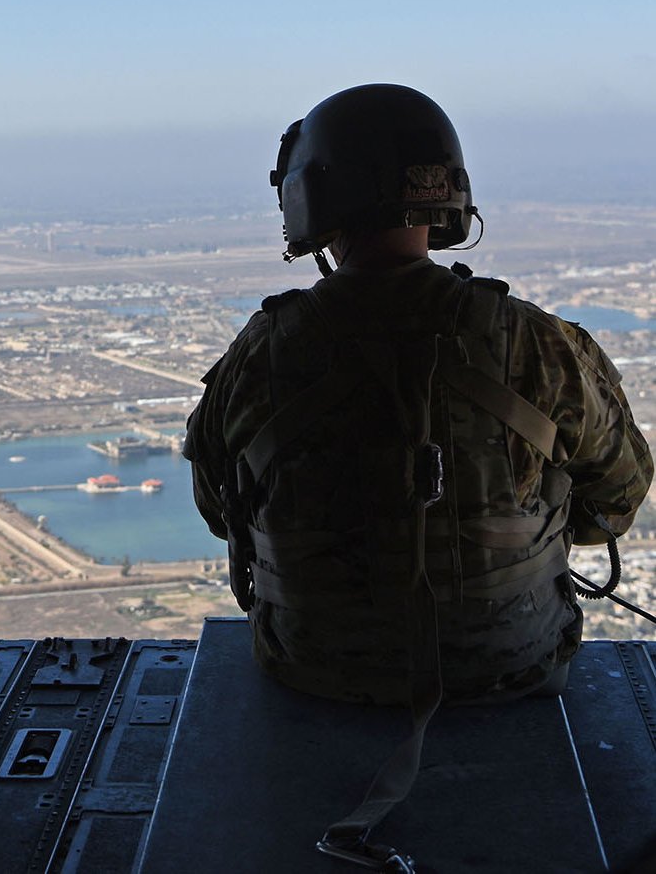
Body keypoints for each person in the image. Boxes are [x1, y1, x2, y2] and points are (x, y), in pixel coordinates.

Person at [184, 84, 652, 707]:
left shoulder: (263, 351)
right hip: (515, 667)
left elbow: (222, 510)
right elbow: (617, 492)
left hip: (315, 670)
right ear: (449, 196)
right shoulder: (536, 341)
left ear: (311, 198)